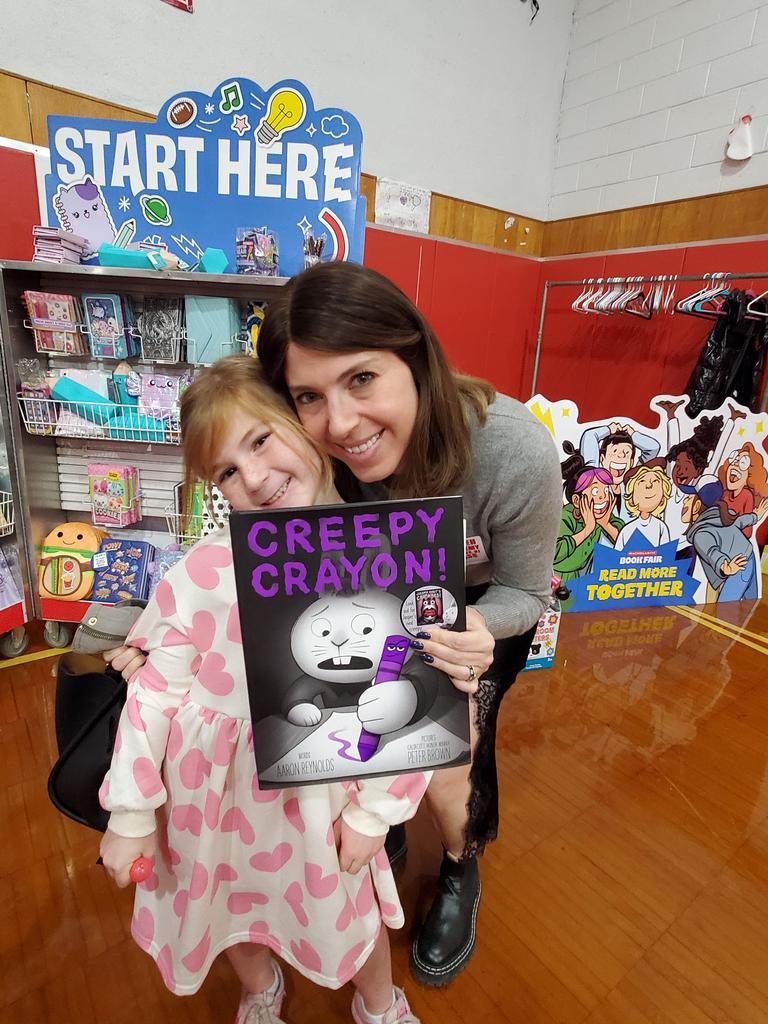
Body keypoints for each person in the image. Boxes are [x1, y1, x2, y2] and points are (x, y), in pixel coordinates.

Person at [254, 260, 562, 987]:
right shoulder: (304, 450)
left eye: (362, 378)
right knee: (361, 724)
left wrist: (476, 629)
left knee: (457, 752)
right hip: (361, 615)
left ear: (416, 358)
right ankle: (383, 825)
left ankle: (461, 864)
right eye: (309, 396)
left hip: (478, 613)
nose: (341, 424)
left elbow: (526, 590)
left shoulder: (511, 450)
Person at [99, 356, 427, 1024]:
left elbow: (409, 691)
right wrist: (130, 814)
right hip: (212, 798)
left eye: (260, 441)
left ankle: (378, 1005)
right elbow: (155, 694)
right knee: (230, 910)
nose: (251, 478)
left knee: (350, 914)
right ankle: (261, 989)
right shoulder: (202, 571)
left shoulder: (387, 553)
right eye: (225, 471)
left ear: (306, 425)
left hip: (324, 794)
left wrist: (374, 814)